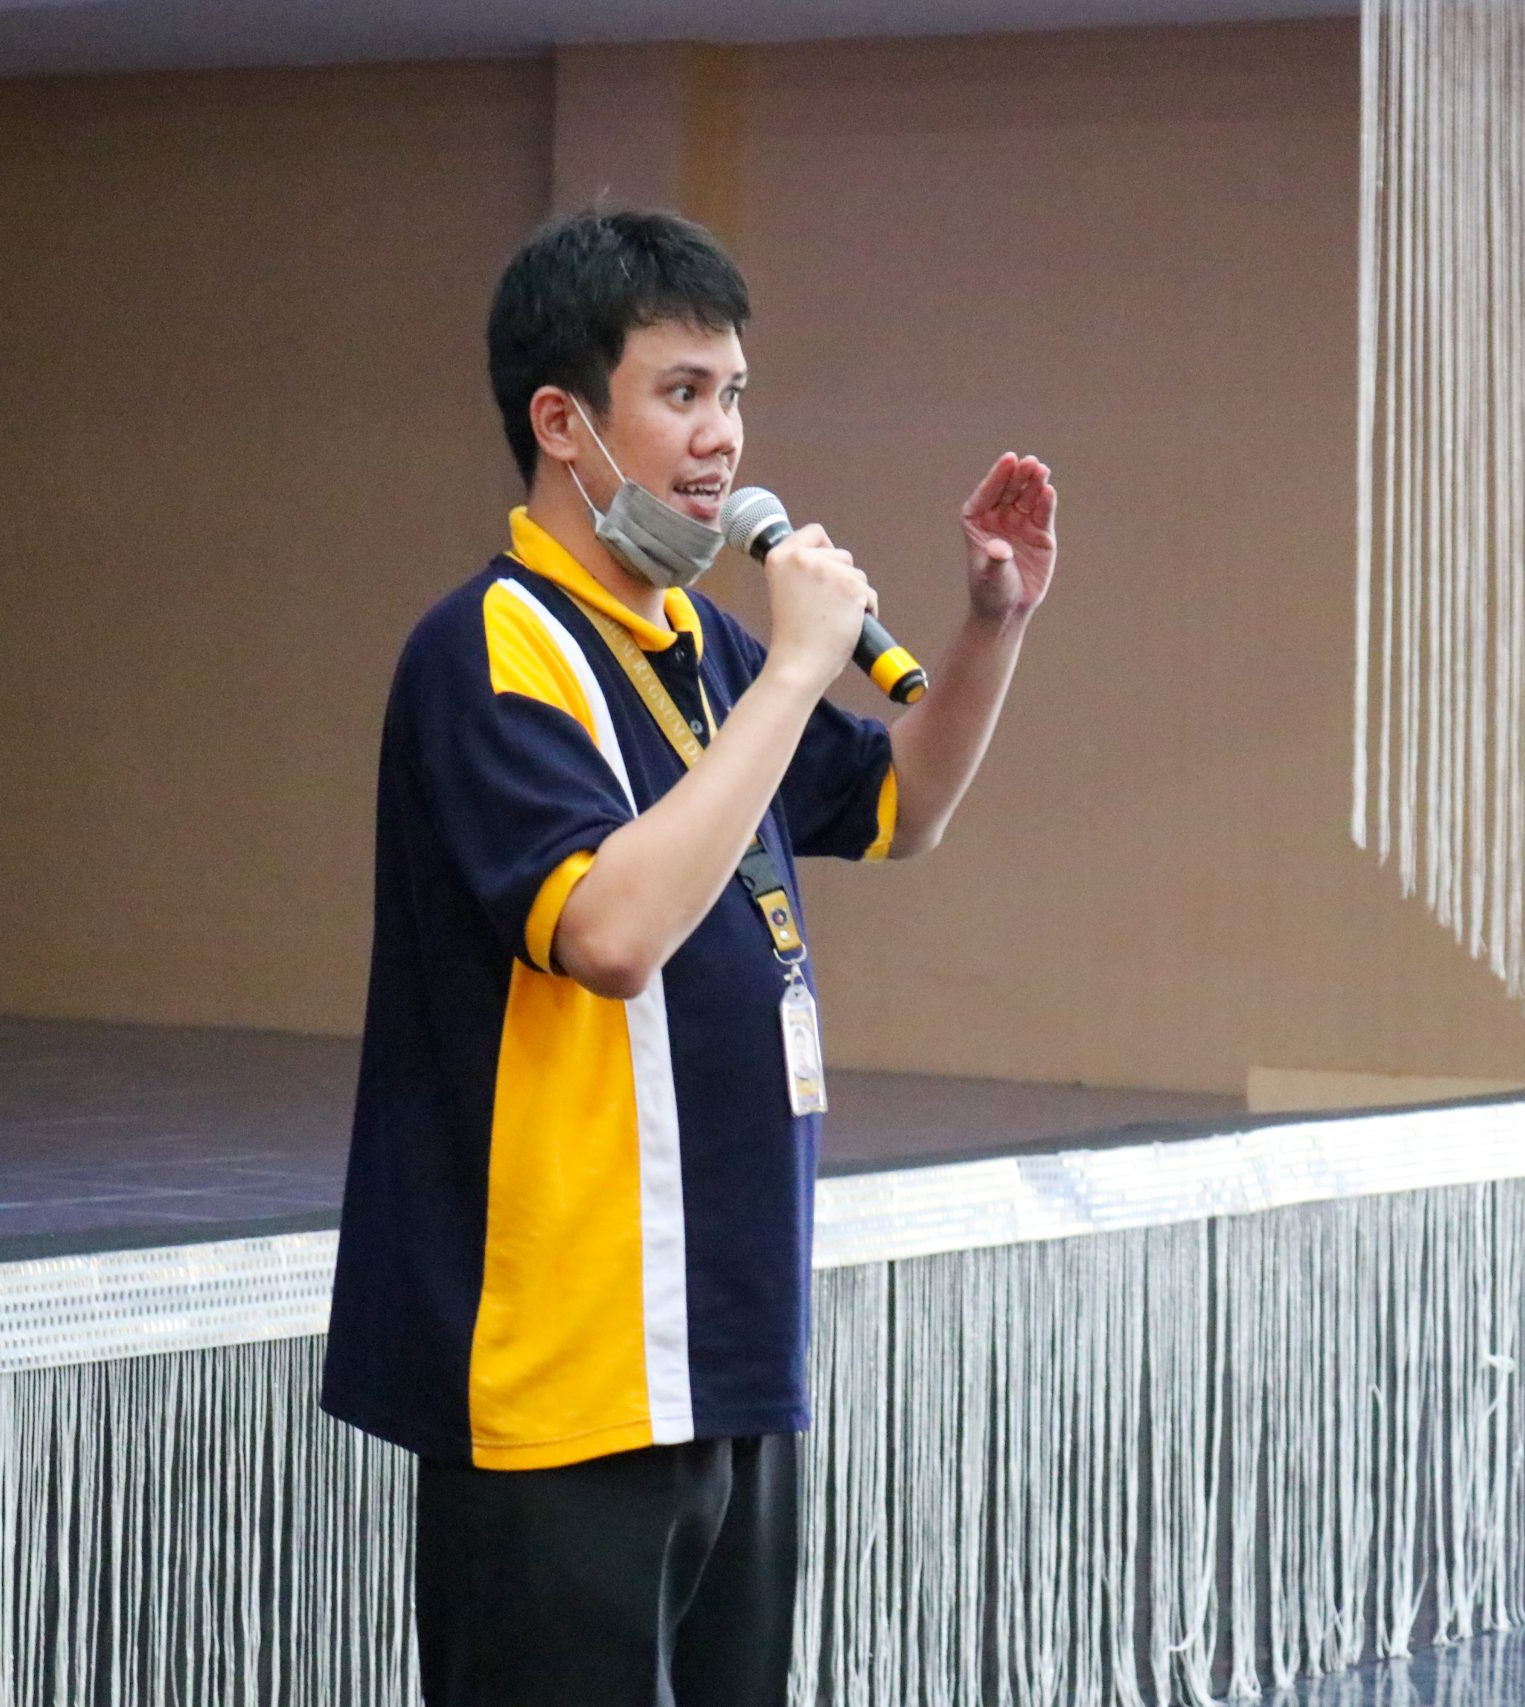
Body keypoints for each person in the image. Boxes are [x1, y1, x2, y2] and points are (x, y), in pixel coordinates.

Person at [321, 205, 1056, 1707]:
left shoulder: (704, 651)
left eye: (735, 394)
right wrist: (796, 668)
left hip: (723, 1336)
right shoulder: (492, 647)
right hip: (567, 1364)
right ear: (563, 423)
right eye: (681, 393)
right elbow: (607, 932)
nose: (724, 438)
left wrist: (993, 624)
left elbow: (903, 808)